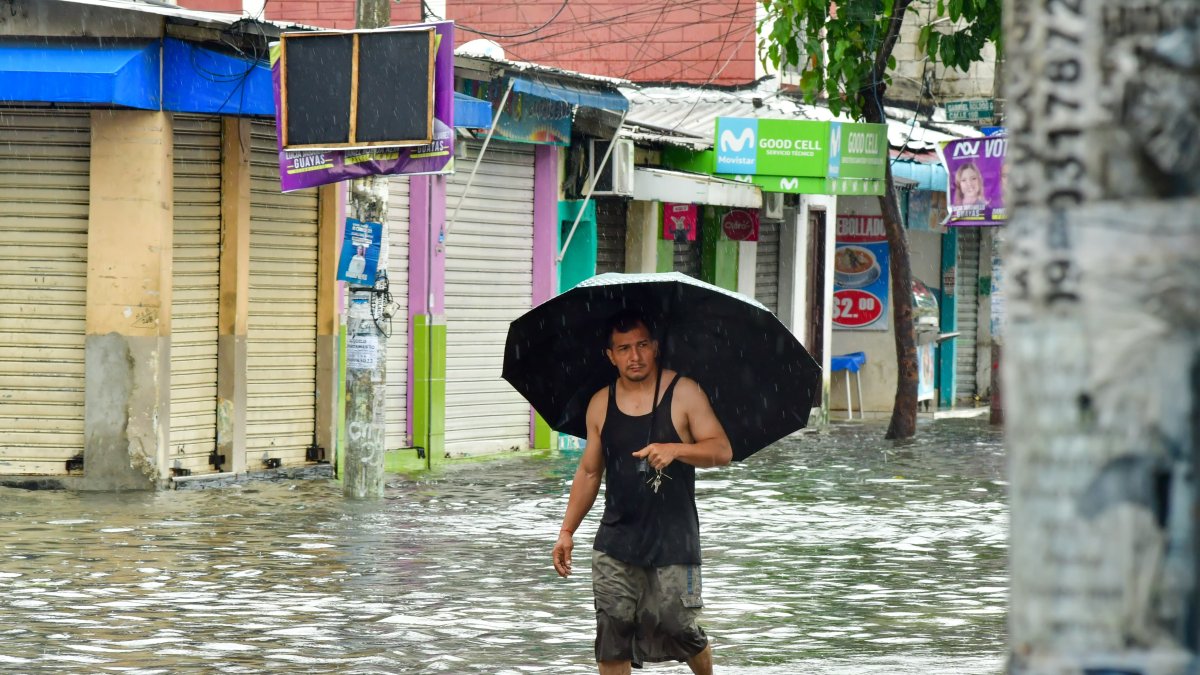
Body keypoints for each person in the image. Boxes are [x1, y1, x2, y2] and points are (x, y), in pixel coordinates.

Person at [552, 310, 732, 675]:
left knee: (681, 628)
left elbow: (722, 450)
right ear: (610, 355)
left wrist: (677, 449)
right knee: (612, 635)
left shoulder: (684, 392)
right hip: (616, 541)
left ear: (656, 348)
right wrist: (567, 531)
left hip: (675, 540)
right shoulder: (600, 403)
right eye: (623, 349)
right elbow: (589, 471)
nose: (634, 356)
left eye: (642, 345)